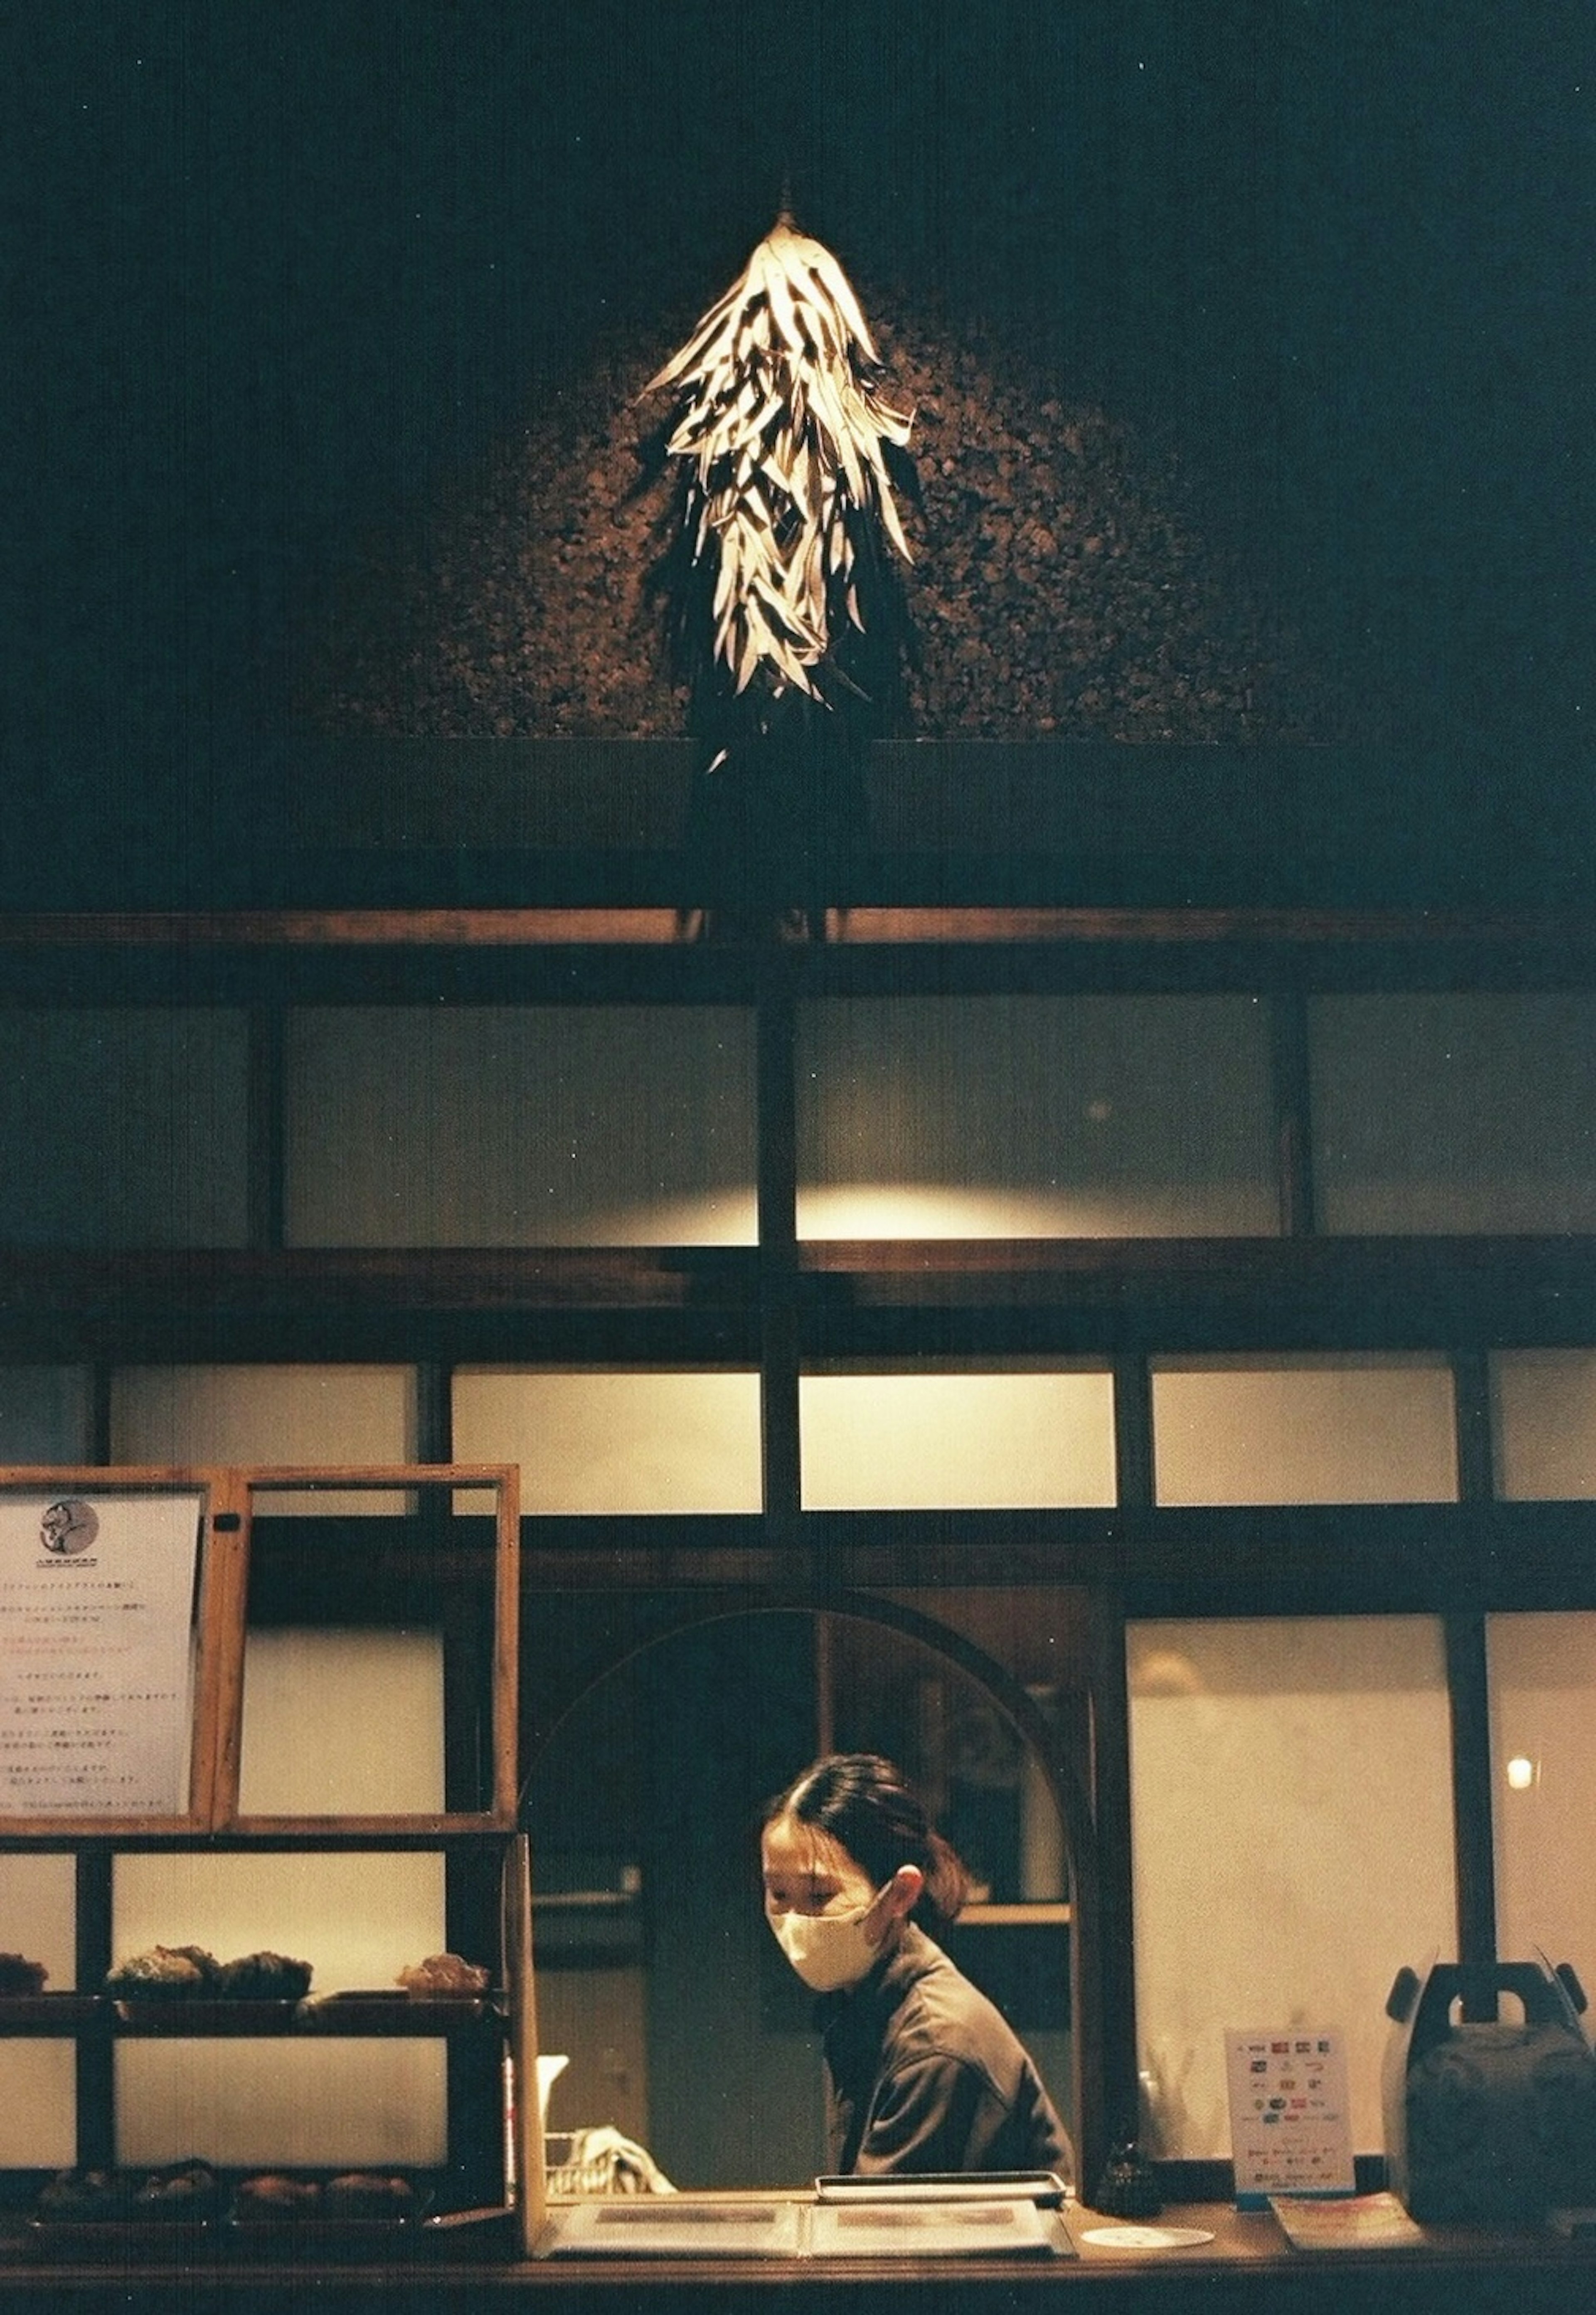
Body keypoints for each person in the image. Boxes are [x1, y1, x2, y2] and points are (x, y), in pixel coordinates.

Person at [761, 1751, 1074, 2182]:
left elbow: (873, 2232)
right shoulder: (862, 1997)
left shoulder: (936, 2041)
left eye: (819, 1896)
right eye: (778, 1892)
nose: (795, 1919)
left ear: (901, 1893)